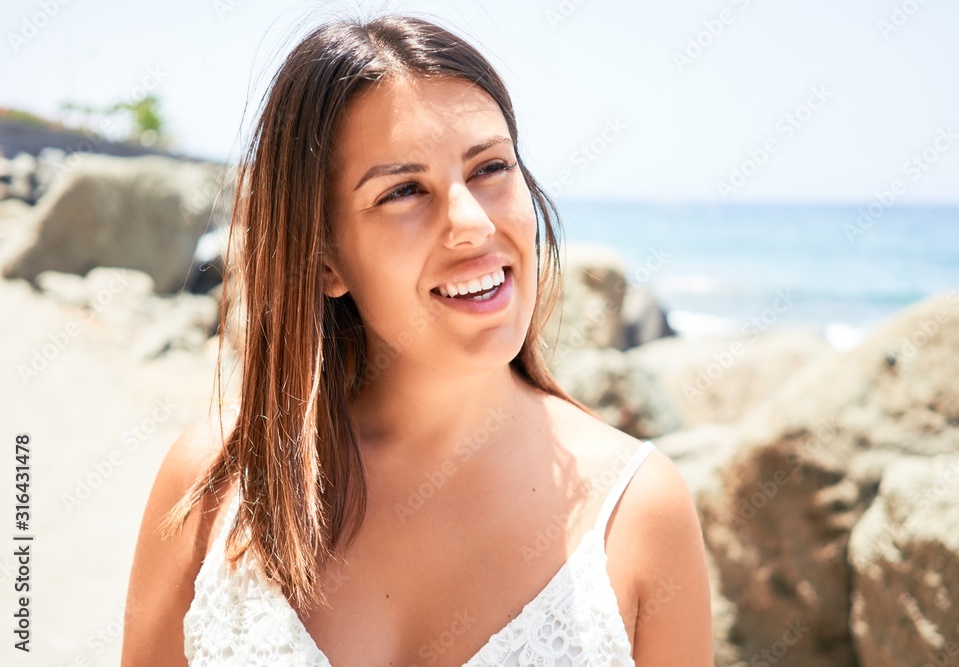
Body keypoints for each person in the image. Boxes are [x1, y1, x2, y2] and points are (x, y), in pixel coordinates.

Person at [122, 13, 713, 666]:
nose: (471, 223)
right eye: (404, 190)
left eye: (490, 167)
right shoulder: (217, 481)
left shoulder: (637, 511)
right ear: (324, 259)